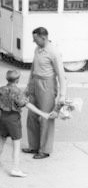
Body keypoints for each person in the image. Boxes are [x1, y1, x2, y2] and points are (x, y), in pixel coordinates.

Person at [0, 70, 56, 177]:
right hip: (14, 119)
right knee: (16, 144)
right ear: (18, 80)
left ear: (7, 78)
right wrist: (43, 114)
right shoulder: (17, 92)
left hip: (3, 118)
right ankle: (15, 168)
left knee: (2, 139)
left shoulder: (1, 89)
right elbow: (27, 104)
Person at [23, 27, 66, 160]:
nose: (33, 41)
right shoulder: (37, 49)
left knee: (46, 117)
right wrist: (28, 85)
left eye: (35, 39)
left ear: (43, 38)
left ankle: (44, 149)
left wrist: (62, 96)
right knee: (32, 116)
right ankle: (34, 146)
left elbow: (61, 75)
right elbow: (33, 68)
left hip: (47, 85)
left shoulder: (53, 51)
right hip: (35, 83)